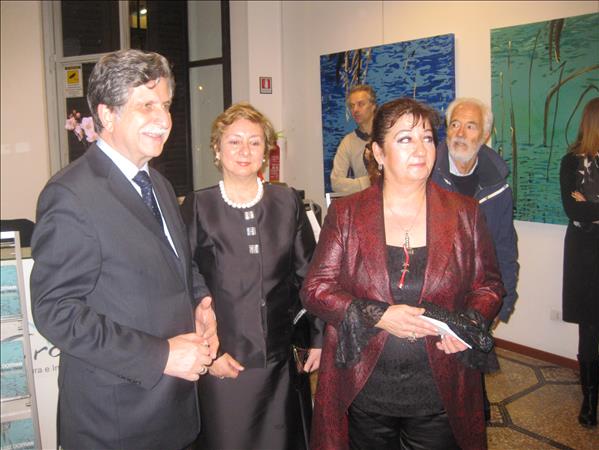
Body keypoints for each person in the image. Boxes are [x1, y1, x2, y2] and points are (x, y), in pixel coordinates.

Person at [30, 49, 218, 450]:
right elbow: (56, 310)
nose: (163, 119)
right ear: (107, 115)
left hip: (174, 411)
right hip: (114, 421)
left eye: (165, 105)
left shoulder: (158, 184)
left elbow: (178, 263)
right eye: (146, 105)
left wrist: (201, 302)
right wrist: (160, 356)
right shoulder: (70, 194)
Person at [301, 97, 504, 450]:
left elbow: (488, 286)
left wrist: (468, 325)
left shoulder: (464, 213)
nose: (421, 149)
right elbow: (316, 288)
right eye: (405, 138)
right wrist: (380, 316)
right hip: (365, 387)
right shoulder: (348, 214)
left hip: (439, 390)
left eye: (427, 138)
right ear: (379, 153)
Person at [181, 102, 323, 450]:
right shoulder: (198, 206)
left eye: (255, 142)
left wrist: (318, 338)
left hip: (281, 364)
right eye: (234, 141)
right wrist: (208, 355)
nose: (245, 151)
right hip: (223, 362)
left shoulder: (287, 201)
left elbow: (310, 275)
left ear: (266, 150)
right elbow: (181, 283)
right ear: (217, 149)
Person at [432, 97, 519, 420]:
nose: (460, 133)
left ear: (484, 135)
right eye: (454, 124)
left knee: (471, 386)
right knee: (436, 385)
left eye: (470, 126)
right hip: (433, 294)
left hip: (477, 296)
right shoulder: (427, 174)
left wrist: (502, 303)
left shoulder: (498, 186)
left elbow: (505, 248)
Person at [560, 96, 599, 428]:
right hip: (585, 253)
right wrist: (586, 208)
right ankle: (589, 400)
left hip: (588, 241)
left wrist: (591, 205)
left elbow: (586, 209)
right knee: (589, 326)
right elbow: (574, 210)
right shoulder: (571, 162)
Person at [330, 84, 377, 194]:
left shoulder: (388, 136)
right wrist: (370, 181)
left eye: (361, 104)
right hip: (365, 201)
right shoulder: (348, 142)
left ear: (373, 106)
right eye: (352, 106)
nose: (355, 110)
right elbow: (336, 183)